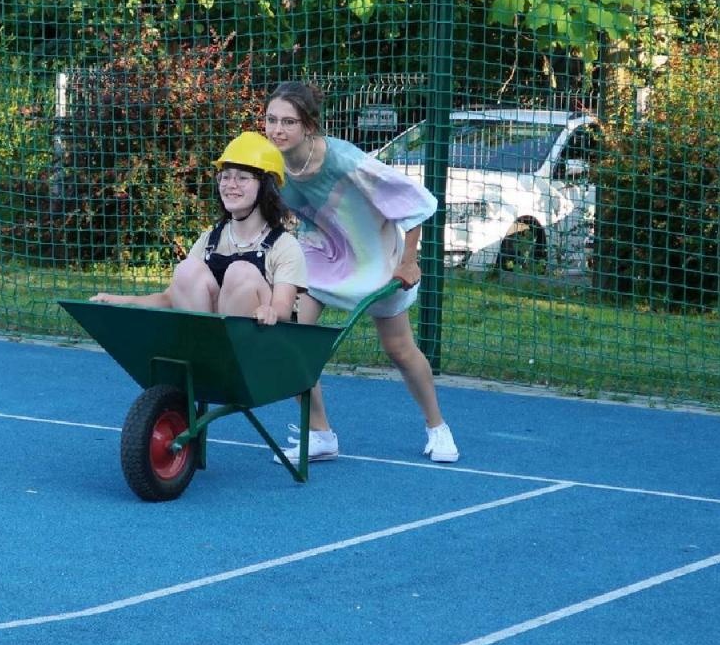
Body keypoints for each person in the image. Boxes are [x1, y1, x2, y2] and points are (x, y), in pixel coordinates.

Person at [262, 81, 458, 463]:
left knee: (399, 349)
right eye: (271, 120)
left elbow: (414, 201)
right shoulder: (270, 162)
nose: (277, 130)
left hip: (374, 257)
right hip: (317, 253)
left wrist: (408, 261)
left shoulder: (343, 160)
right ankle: (320, 434)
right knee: (291, 340)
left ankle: (438, 427)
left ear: (309, 126)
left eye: (288, 121)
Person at [90, 132, 307, 324]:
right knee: (187, 269)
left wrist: (269, 311)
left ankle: (226, 353)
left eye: (242, 178)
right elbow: (170, 298)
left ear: (267, 187)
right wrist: (122, 301)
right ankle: (204, 349)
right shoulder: (210, 239)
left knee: (240, 272)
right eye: (225, 176)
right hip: (214, 341)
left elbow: (283, 307)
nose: (230, 185)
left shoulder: (285, 245)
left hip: (260, 343)